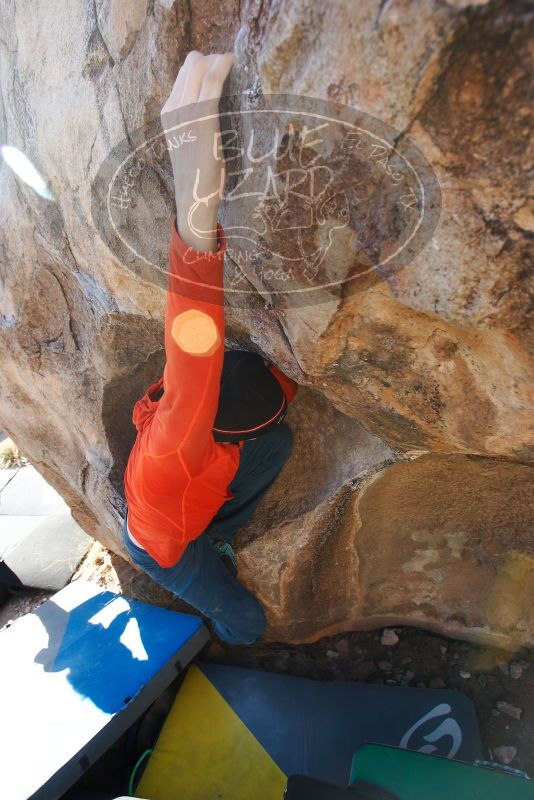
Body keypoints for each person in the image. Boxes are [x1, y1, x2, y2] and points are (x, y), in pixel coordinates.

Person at [122, 51, 298, 645]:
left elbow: (225, 391)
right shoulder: (180, 439)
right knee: (245, 623)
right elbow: (193, 348)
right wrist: (194, 215)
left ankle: (218, 529)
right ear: (214, 428)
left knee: (276, 443)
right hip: (164, 549)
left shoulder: (197, 433)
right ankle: (220, 639)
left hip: (179, 498)